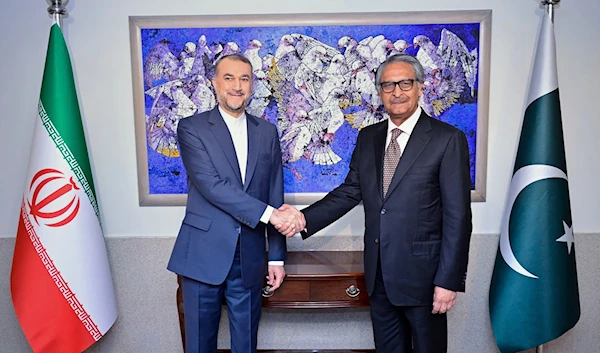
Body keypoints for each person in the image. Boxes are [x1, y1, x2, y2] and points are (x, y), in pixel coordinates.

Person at [281, 54, 472, 353]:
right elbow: (350, 191)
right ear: (379, 91)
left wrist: (448, 281)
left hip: (425, 280)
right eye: (387, 85)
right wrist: (304, 219)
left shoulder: (447, 140)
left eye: (405, 83)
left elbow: (458, 217)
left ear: (420, 87)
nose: (397, 91)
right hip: (379, 277)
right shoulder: (368, 137)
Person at [168, 54, 304, 353]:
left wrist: (277, 257)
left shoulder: (266, 132)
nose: (237, 86)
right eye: (229, 78)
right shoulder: (192, 128)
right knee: (200, 344)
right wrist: (272, 216)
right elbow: (212, 186)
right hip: (203, 255)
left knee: (246, 344)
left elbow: (273, 192)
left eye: (244, 78)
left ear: (252, 85)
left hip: (250, 256)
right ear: (215, 83)